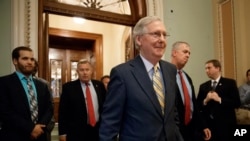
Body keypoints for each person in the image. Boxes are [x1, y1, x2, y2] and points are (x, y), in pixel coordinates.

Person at [99, 16, 184, 141]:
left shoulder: (170, 70)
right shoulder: (122, 73)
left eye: (164, 35)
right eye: (156, 34)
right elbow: (109, 123)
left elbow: (173, 113)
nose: (162, 40)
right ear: (139, 39)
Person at [0, 46, 54, 141]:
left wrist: (38, 129)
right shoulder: (3, 83)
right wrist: (31, 128)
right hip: (14, 136)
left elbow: (49, 109)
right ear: (15, 61)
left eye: (32, 59)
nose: (30, 62)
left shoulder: (42, 85)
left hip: (40, 136)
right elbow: (5, 112)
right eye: (25, 58)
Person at [171, 41, 211, 141]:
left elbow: (194, 104)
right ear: (174, 53)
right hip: (173, 130)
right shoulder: (164, 74)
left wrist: (203, 126)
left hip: (191, 129)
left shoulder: (187, 78)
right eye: (185, 52)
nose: (188, 55)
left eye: (189, 53)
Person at [58, 59, 106, 141]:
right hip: (77, 132)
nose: (85, 72)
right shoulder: (68, 88)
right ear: (77, 71)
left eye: (87, 69)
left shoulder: (99, 85)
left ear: (91, 71)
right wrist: (62, 133)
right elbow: (63, 112)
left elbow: (105, 106)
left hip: (97, 130)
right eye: (81, 70)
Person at [196, 59, 241, 141]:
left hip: (226, 126)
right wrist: (205, 100)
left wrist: (219, 99)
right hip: (209, 127)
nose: (206, 71)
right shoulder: (203, 86)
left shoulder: (230, 83)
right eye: (205, 68)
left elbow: (237, 103)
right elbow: (198, 106)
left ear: (218, 68)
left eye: (209, 68)